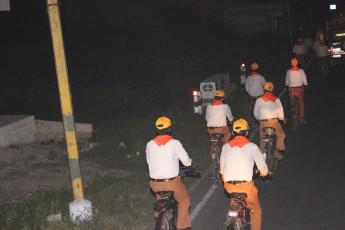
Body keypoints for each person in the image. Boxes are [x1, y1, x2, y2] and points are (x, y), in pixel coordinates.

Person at [146, 116, 195, 230]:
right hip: (172, 183)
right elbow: (186, 162)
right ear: (169, 129)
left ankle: (160, 216)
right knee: (184, 200)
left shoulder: (149, 144)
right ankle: (182, 226)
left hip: (155, 184)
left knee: (161, 197)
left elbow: (149, 162)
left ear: (157, 129)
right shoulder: (175, 143)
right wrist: (191, 164)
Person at [220, 118, 268, 230]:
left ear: (232, 133)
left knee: (233, 199)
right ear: (247, 132)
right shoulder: (252, 147)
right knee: (256, 211)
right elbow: (262, 167)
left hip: (229, 186)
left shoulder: (225, 147)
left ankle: (233, 214)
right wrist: (264, 172)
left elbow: (222, 170)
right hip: (246, 187)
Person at [254, 82, 286, 159]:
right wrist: (282, 119)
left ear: (264, 90)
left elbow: (255, 114)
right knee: (281, 135)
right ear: (272, 90)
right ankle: (276, 151)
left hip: (263, 123)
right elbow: (280, 114)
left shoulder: (259, 100)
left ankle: (261, 154)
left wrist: (260, 120)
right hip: (274, 122)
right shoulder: (276, 100)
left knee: (262, 138)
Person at [285, 58, 308, 124]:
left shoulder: (288, 71)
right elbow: (305, 80)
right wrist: (306, 85)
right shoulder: (301, 71)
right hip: (299, 89)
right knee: (301, 103)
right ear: (297, 63)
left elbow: (286, 82)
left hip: (291, 89)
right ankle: (301, 117)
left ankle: (293, 110)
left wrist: (287, 85)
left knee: (292, 100)